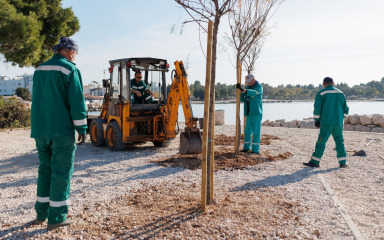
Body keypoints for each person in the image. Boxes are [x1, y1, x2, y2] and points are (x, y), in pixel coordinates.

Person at [30, 36, 87, 230]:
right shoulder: (70, 69)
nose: (75, 57)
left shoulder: (39, 70)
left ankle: (41, 214)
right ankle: (56, 218)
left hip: (40, 131)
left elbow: (38, 99)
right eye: (75, 53)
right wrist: (82, 128)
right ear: (70, 52)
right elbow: (77, 101)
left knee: (45, 169)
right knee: (61, 172)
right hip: (61, 131)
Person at [303, 77, 349, 168]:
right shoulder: (341, 93)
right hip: (338, 123)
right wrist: (341, 118)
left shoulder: (321, 93)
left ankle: (315, 162)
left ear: (323, 84)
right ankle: (343, 162)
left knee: (321, 141)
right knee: (340, 141)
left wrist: (316, 120)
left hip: (326, 122)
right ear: (333, 83)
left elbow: (317, 109)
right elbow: (346, 109)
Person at [237, 74, 263, 154]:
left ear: (253, 80)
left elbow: (254, 93)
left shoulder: (259, 87)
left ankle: (255, 150)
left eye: (249, 82)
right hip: (248, 113)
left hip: (256, 112)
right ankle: (246, 147)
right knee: (247, 131)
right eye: (247, 82)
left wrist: (244, 90)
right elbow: (242, 99)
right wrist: (240, 92)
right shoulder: (247, 87)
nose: (248, 83)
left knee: (256, 132)